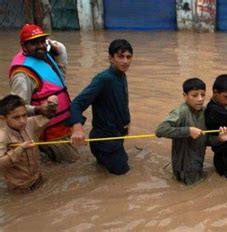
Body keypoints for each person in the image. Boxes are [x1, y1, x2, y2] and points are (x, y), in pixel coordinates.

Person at [8, 24, 79, 163]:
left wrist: (55, 49)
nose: (40, 46)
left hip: (62, 125)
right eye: (34, 43)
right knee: (72, 165)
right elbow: (16, 109)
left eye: (42, 41)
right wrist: (39, 109)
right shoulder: (22, 75)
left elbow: (60, 73)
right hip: (49, 133)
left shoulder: (44, 56)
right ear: (24, 47)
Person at [69, 39, 133, 175]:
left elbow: (119, 103)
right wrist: (77, 128)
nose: (125, 61)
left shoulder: (121, 75)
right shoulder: (103, 79)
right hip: (105, 141)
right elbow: (76, 104)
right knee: (123, 176)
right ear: (111, 58)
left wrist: (126, 123)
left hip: (115, 137)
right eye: (120, 57)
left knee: (106, 172)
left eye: (128, 57)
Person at [156, 78, 227, 185]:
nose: (200, 99)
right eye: (194, 95)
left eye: (203, 95)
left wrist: (219, 139)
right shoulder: (181, 111)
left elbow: (206, 139)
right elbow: (160, 130)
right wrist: (188, 131)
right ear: (185, 96)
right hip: (184, 167)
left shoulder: (205, 112)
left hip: (197, 164)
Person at [0, 94, 57, 193]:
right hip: (20, 188)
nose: (22, 121)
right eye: (16, 117)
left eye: (24, 115)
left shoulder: (29, 124)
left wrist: (52, 106)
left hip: (38, 179)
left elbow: (48, 116)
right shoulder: (3, 136)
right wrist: (20, 149)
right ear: (3, 119)